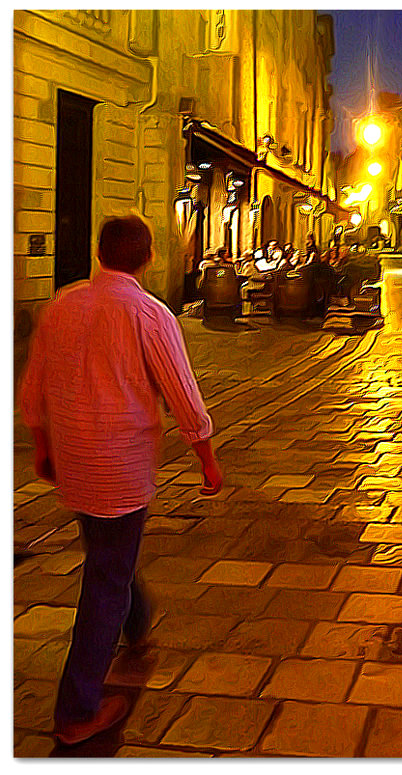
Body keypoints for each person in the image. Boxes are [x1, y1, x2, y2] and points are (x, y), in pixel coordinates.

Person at [19, 214, 223, 746]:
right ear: (149, 257)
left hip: (74, 462)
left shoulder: (62, 304)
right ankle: (76, 709)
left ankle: (138, 622)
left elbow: (34, 381)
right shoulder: (149, 314)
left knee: (107, 554)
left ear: (99, 253)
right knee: (106, 580)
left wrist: (43, 446)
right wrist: (206, 457)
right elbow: (182, 390)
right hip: (120, 466)